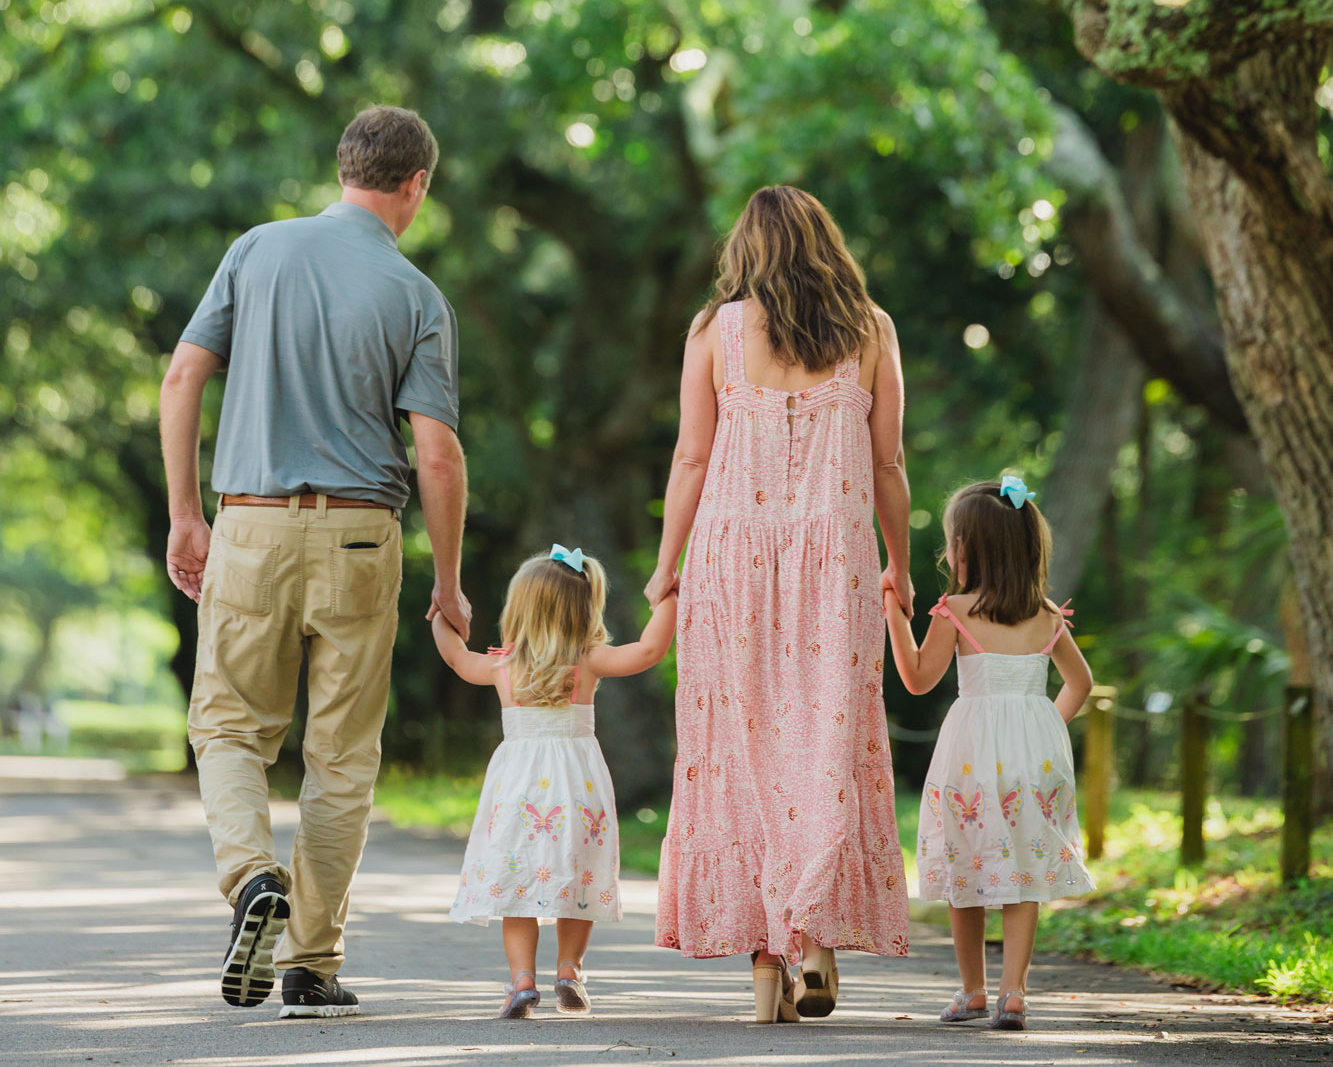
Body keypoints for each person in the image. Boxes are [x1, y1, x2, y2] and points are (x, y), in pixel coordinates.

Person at [159, 104, 470, 1020]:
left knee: (227, 729)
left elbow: (182, 378)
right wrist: (448, 584)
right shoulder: (417, 296)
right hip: (361, 539)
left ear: (343, 167)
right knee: (339, 757)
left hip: (249, 526)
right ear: (415, 185)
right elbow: (438, 454)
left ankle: (252, 879)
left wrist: (186, 516)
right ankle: (310, 963)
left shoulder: (256, 250)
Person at [650, 184, 913, 1023]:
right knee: (825, 745)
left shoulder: (713, 332)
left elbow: (691, 460)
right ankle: (817, 944)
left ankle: (768, 979)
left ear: (747, 250)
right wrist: (899, 568)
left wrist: (666, 566)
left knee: (744, 754)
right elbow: (888, 465)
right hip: (834, 562)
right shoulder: (871, 331)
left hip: (731, 560)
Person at [885, 474, 1094, 1033]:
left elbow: (917, 679)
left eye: (952, 541)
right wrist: (1046, 724)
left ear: (966, 551)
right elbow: (1080, 683)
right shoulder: (1048, 615)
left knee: (966, 863)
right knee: (1024, 871)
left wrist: (895, 614)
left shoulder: (955, 611)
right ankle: (1014, 993)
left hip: (972, 754)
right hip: (1036, 759)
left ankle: (973, 990)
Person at [436, 544, 678, 1017]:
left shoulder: (501, 666)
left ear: (519, 609)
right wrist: (668, 596)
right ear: (586, 608)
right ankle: (569, 970)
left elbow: (456, 660)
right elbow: (651, 650)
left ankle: (521, 982)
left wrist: (440, 614)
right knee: (577, 879)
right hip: (576, 785)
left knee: (518, 883)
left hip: (518, 788)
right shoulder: (589, 659)